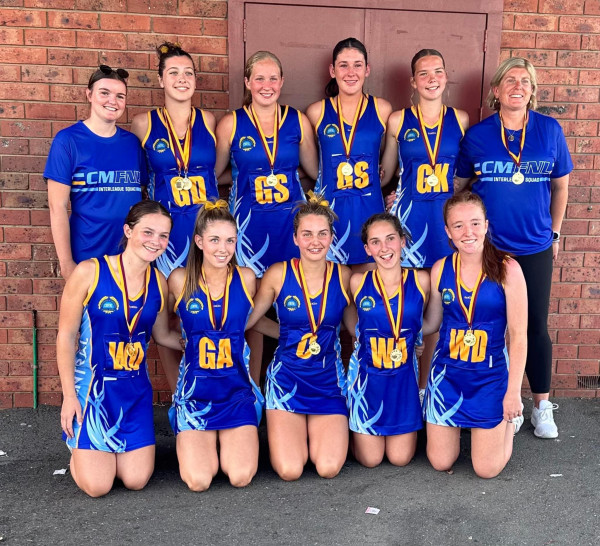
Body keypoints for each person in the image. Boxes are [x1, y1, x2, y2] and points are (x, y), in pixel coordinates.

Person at [454, 57, 572, 439]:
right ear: (496, 90)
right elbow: (460, 187)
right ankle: (503, 400)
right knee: (489, 326)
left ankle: (541, 406)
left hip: (535, 246)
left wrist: (555, 234)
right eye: (509, 80)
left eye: (525, 81)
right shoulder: (478, 135)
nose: (517, 86)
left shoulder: (549, 131)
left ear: (532, 90)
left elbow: (561, 186)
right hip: (490, 248)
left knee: (534, 326)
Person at [57, 201, 182, 497]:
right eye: (148, 232)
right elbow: (66, 336)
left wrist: (199, 342)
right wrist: (69, 396)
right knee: (98, 486)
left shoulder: (159, 282)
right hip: (93, 391)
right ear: (128, 231)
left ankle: (104, 452)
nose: (155, 241)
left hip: (134, 393)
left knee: (135, 480)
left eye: (163, 236)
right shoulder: (89, 272)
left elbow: (162, 335)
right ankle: (80, 451)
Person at [215, 50, 318, 384]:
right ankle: (255, 386)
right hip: (249, 230)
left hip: (290, 228)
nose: (266, 85)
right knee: (253, 305)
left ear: (282, 81)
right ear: (247, 82)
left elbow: (313, 171)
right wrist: (248, 177)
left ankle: (294, 377)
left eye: (273, 78)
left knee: (294, 302)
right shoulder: (231, 123)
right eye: (259, 78)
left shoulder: (297, 120)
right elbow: (215, 175)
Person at [131, 42, 220, 391]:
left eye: (188, 73)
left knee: (208, 308)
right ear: (160, 79)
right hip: (165, 235)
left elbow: (219, 172)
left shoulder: (209, 121)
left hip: (203, 231)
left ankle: (209, 387)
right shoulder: (143, 123)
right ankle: (176, 394)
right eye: (173, 73)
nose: (182, 79)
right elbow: (139, 180)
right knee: (165, 312)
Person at [246, 193, 353, 481]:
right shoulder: (278, 274)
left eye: (322, 233)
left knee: (328, 467)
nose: (315, 241)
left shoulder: (344, 276)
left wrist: (403, 339)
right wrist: (286, 335)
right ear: (295, 238)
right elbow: (251, 321)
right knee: (290, 470)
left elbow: (356, 326)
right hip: (287, 379)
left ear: (331, 237)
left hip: (328, 382)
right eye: (307, 234)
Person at [380, 49, 469, 397]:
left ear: (446, 77)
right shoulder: (398, 120)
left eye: (438, 71)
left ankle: (425, 387)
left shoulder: (460, 119)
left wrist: (455, 195)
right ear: (413, 82)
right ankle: (403, 383)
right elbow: (387, 172)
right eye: (424, 73)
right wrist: (390, 196)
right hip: (409, 220)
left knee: (441, 300)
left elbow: (466, 171)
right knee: (408, 300)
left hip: (445, 222)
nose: (432, 79)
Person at [422, 192, 527, 478]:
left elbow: (519, 336)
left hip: (488, 377)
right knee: (440, 461)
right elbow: (431, 323)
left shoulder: (508, 269)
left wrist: (513, 393)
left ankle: (507, 424)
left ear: (486, 225)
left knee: (486, 469)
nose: (468, 232)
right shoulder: (440, 269)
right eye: (458, 225)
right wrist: (391, 327)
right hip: (448, 375)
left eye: (475, 223)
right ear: (448, 231)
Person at [167, 200, 264, 491]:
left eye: (230, 241)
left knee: (240, 476)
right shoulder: (179, 279)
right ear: (199, 242)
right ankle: (185, 423)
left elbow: (250, 324)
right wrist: (183, 342)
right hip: (195, 394)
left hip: (236, 393)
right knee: (198, 481)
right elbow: (162, 328)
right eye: (215, 240)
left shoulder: (246, 278)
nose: (223, 248)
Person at [46, 65, 147, 280]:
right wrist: (66, 263)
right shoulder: (68, 141)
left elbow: (141, 197)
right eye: (104, 93)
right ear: (89, 94)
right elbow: (57, 207)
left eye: (120, 96)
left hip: (131, 256)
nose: (113, 101)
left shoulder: (132, 143)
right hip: (87, 254)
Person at [347, 213, 429, 468]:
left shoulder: (421, 280)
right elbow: (349, 317)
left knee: (400, 458)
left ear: (402, 241)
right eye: (375, 242)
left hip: (403, 379)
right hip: (368, 378)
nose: (384, 248)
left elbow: (431, 321)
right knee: (370, 460)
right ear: (367, 249)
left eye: (390, 238)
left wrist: (416, 340)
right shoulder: (357, 282)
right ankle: (346, 431)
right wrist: (359, 336)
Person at [306, 37, 392, 270]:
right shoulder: (316, 112)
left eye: (358, 65)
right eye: (343, 65)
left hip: (370, 208)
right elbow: (313, 166)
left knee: (368, 282)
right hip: (329, 211)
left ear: (367, 69)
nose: (351, 72)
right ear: (332, 70)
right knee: (330, 284)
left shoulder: (382, 109)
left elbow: (390, 161)